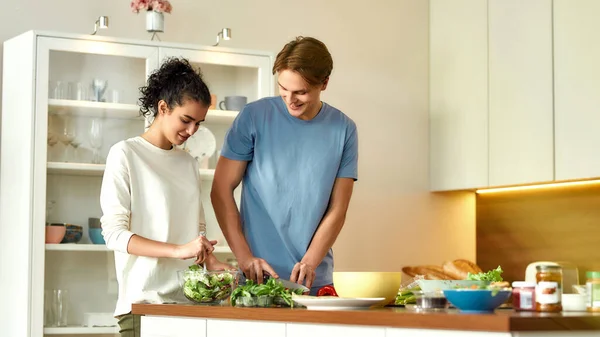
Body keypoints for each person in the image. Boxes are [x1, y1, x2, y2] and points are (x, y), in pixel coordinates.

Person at [210, 36, 358, 295]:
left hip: (314, 279)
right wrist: (244, 258)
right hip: (257, 279)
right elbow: (220, 190)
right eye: (283, 89)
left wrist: (310, 262)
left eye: (301, 92)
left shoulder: (344, 129)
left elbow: (338, 208)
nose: (290, 99)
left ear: (324, 83)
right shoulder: (253, 117)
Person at [100, 57, 232, 337]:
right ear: (163, 107)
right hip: (143, 306)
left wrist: (209, 260)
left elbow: (196, 228)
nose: (192, 131)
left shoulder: (188, 163)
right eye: (186, 120)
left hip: (190, 305)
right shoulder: (125, 154)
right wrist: (177, 250)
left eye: (199, 123)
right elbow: (114, 234)